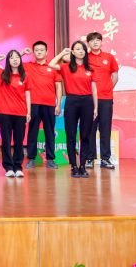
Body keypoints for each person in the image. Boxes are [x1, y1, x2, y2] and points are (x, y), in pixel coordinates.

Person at [64, 32, 118, 169]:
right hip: (88, 99)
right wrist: (72, 51)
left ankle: (105, 158)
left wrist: (107, 89)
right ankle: (89, 158)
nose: (95, 42)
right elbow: (66, 59)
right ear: (87, 43)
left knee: (105, 129)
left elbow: (115, 76)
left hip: (106, 98)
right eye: (92, 40)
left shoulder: (109, 57)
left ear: (102, 42)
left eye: (98, 40)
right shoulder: (84, 57)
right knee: (89, 130)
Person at [49, 43, 98, 178]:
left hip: (87, 102)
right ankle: (74, 166)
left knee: (85, 136)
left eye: (83, 49)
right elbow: (51, 64)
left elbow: (94, 89)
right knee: (71, 136)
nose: (81, 51)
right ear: (73, 52)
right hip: (72, 101)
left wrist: (95, 107)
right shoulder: (66, 67)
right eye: (77, 49)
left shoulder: (90, 68)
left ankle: (82, 165)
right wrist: (62, 53)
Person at [0, 50, 32, 178]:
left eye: (17, 57)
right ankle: (8, 167)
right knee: (6, 141)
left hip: (21, 113)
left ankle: (18, 167)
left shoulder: (25, 75)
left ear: (20, 60)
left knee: (19, 141)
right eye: (12, 58)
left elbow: (28, 95)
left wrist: (28, 112)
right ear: (8, 61)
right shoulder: (2, 74)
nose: (15, 60)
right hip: (4, 113)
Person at [20, 42, 63, 170]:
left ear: (46, 52)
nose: (39, 52)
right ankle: (31, 158)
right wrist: (22, 53)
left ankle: (50, 159)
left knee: (50, 131)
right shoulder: (28, 66)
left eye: (41, 50)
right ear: (33, 52)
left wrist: (58, 104)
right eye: (36, 50)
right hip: (33, 104)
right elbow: (11, 62)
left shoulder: (52, 67)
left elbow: (58, 86)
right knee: (32, 131)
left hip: (49, 104)